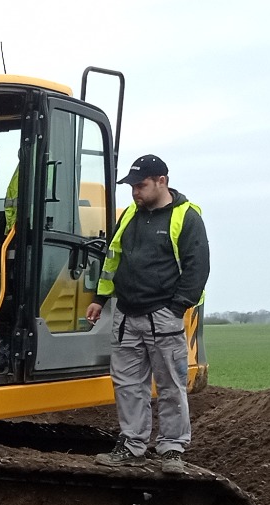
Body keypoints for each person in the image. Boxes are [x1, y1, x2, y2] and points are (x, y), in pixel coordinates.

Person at [85, 154, 208, 474]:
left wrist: (177, 308)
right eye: (132, 187)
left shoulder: (186, 217)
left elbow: (197, 268)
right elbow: (112, 258)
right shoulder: (129, 216)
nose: (135, 192)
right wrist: (100, 298)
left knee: (170, 385)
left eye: (140, 186)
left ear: (161, 182)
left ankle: (171, 448)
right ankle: (133, 444)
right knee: (127, 385)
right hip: (126, 316)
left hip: (163, 316)